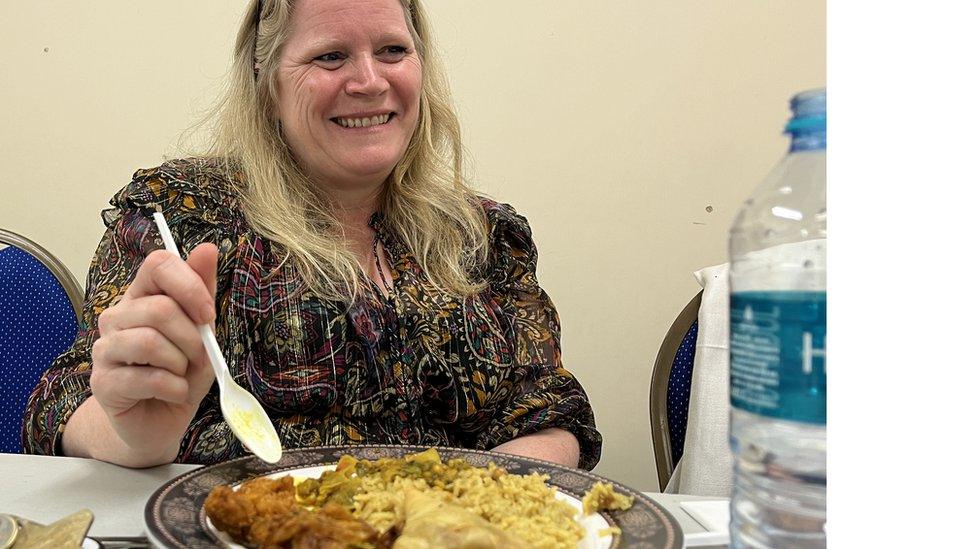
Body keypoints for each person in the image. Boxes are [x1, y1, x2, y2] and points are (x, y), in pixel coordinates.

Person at [22, 0, 601, 470]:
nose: (370, 81)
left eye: (393, 50)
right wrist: (135, 437)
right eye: (330, 56)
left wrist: (485, 512)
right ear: (267, 80)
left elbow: (544, 412)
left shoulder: (483, 235)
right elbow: (63, 405)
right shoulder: (182, 216)